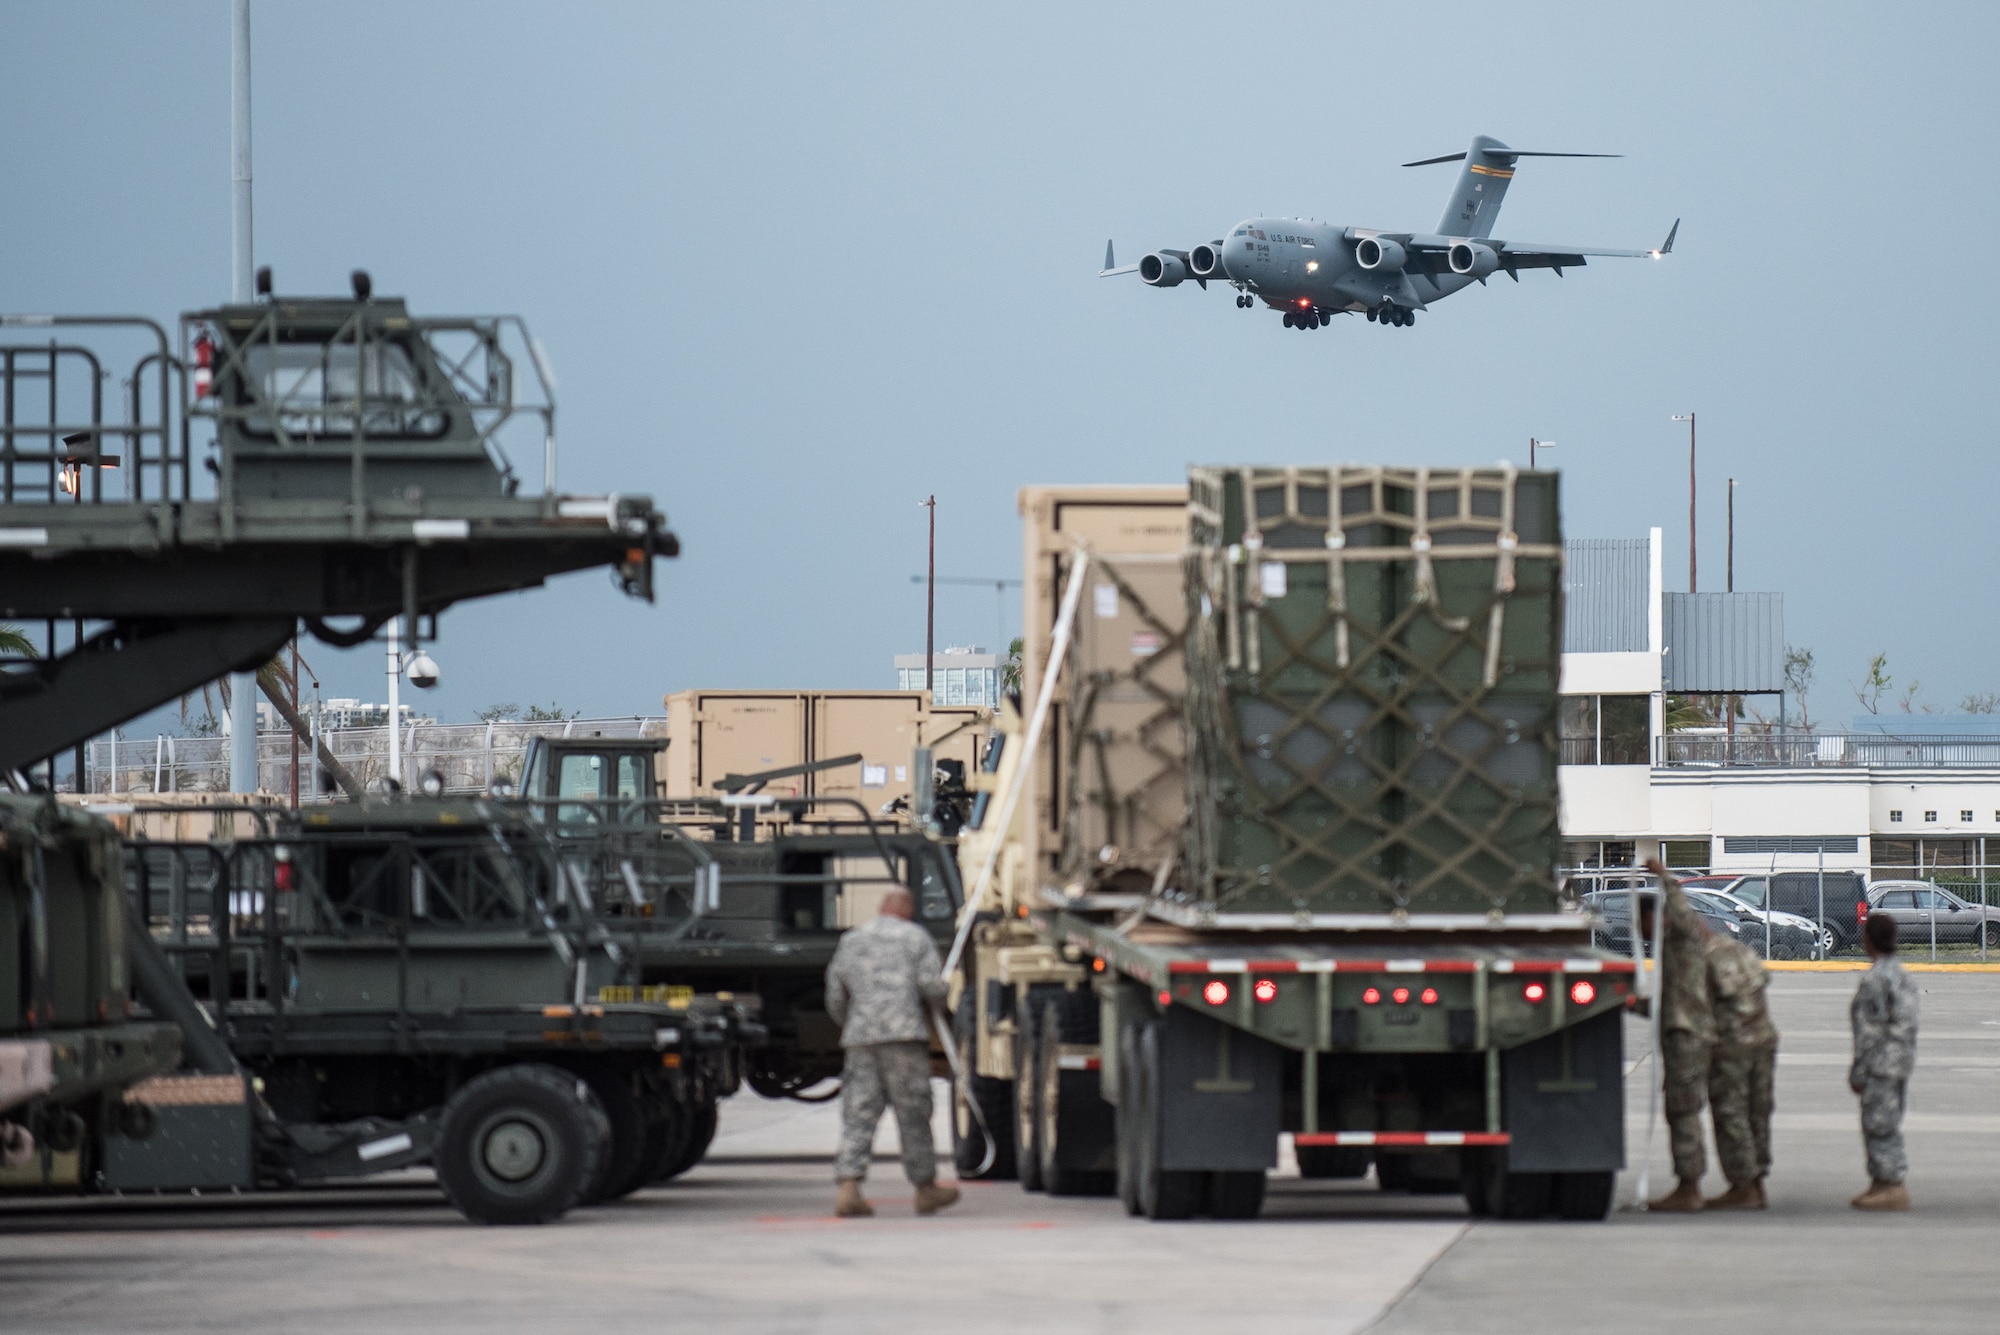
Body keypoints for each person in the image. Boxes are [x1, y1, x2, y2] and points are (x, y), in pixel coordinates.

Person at [824, 885, 959, 1218]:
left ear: (881, 907)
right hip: (903, 1038)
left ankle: (849, 1187)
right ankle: (925, 1189)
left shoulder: (852, 940)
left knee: (858, 1112)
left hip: (861, 1040)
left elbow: (835, 995)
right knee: (913, 1114)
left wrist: (853, 1024)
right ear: (907, 908)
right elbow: (932, 986)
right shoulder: (915, 938)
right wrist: (946, 997)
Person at [1637, 859, 1717, 1212]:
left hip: (1687, 1035)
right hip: (1680, 1031)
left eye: (1640, 923)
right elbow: (1670, 999)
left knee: (1683, 1110)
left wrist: (1664, 877)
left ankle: (1690, 1187)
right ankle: (1688, 1182)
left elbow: (1683, 913)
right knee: (1679, 1109)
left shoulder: (1682, 936)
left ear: (1654, 918)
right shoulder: (1671, 948)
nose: (1638, 931)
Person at [1701, 896, 1778, 1210]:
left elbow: (1696, 1007)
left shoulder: (1706, 961)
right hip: (1763, 1039)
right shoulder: (1743, 953)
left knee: (1731, 1113)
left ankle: (1743, 1186)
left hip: (1734, 1045)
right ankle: (1756, 1182)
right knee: (1758, 1111)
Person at [1850, 909, 1919, 1211]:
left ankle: (1892, 1185)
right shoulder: (1902, 974)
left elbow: (1869, 1033)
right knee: (1886, 1119)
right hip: (1901, 1059)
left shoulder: (1875, 979)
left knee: (1879, 1123)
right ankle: (1880, 1183)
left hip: (1880, 1062)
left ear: (1869, 940)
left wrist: (1859, 1072)